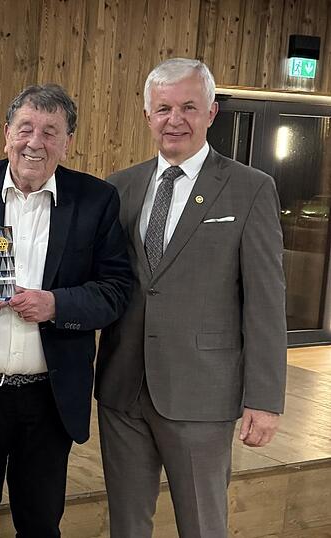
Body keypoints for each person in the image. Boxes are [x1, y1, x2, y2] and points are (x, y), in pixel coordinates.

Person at [0, 84, 133, 537]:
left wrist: (55, 304)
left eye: (50, 132)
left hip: (49, 397)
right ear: (7, 133)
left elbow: (116, 289)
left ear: (68, 141)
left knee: (40, 524)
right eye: (25, 129)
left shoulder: (96, 199)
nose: (34, 143)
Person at [96, 58, 287, 538]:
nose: (174, 120)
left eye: (188, 107)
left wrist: (264, 400)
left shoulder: (249, 189)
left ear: (211, 112)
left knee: (202, 526)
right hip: (123, 390)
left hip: (202, 394)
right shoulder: (119, 188)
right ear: (147, 115)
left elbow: (265, 303)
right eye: (163, 109)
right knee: (126, 526)